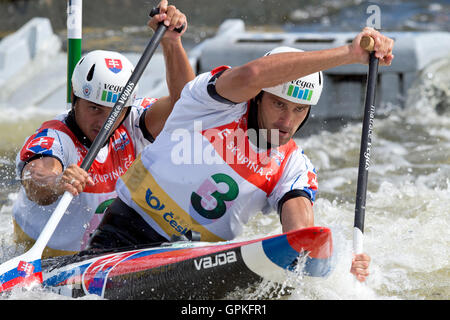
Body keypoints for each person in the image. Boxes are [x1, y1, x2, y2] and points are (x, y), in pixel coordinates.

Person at [88, 27, 394, 282]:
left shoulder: (292, 166)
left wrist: (333, 266)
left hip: (193, 267)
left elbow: (302, 236)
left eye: (299, 110)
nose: (286, 121)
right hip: (124, 237)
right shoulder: (213, 103)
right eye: (278, 104)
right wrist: (349, 55)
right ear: (259, 97)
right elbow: (253, 74)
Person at [12, 1, 195, 258]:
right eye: (94, 109)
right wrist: (58, 181)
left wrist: (172, 42)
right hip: (46, 253)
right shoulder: (55, 138)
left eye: (114, 111)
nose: (103, 122)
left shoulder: (135, 121)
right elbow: (37, 177)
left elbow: (186, 105)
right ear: (75, 99)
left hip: (105, 248)